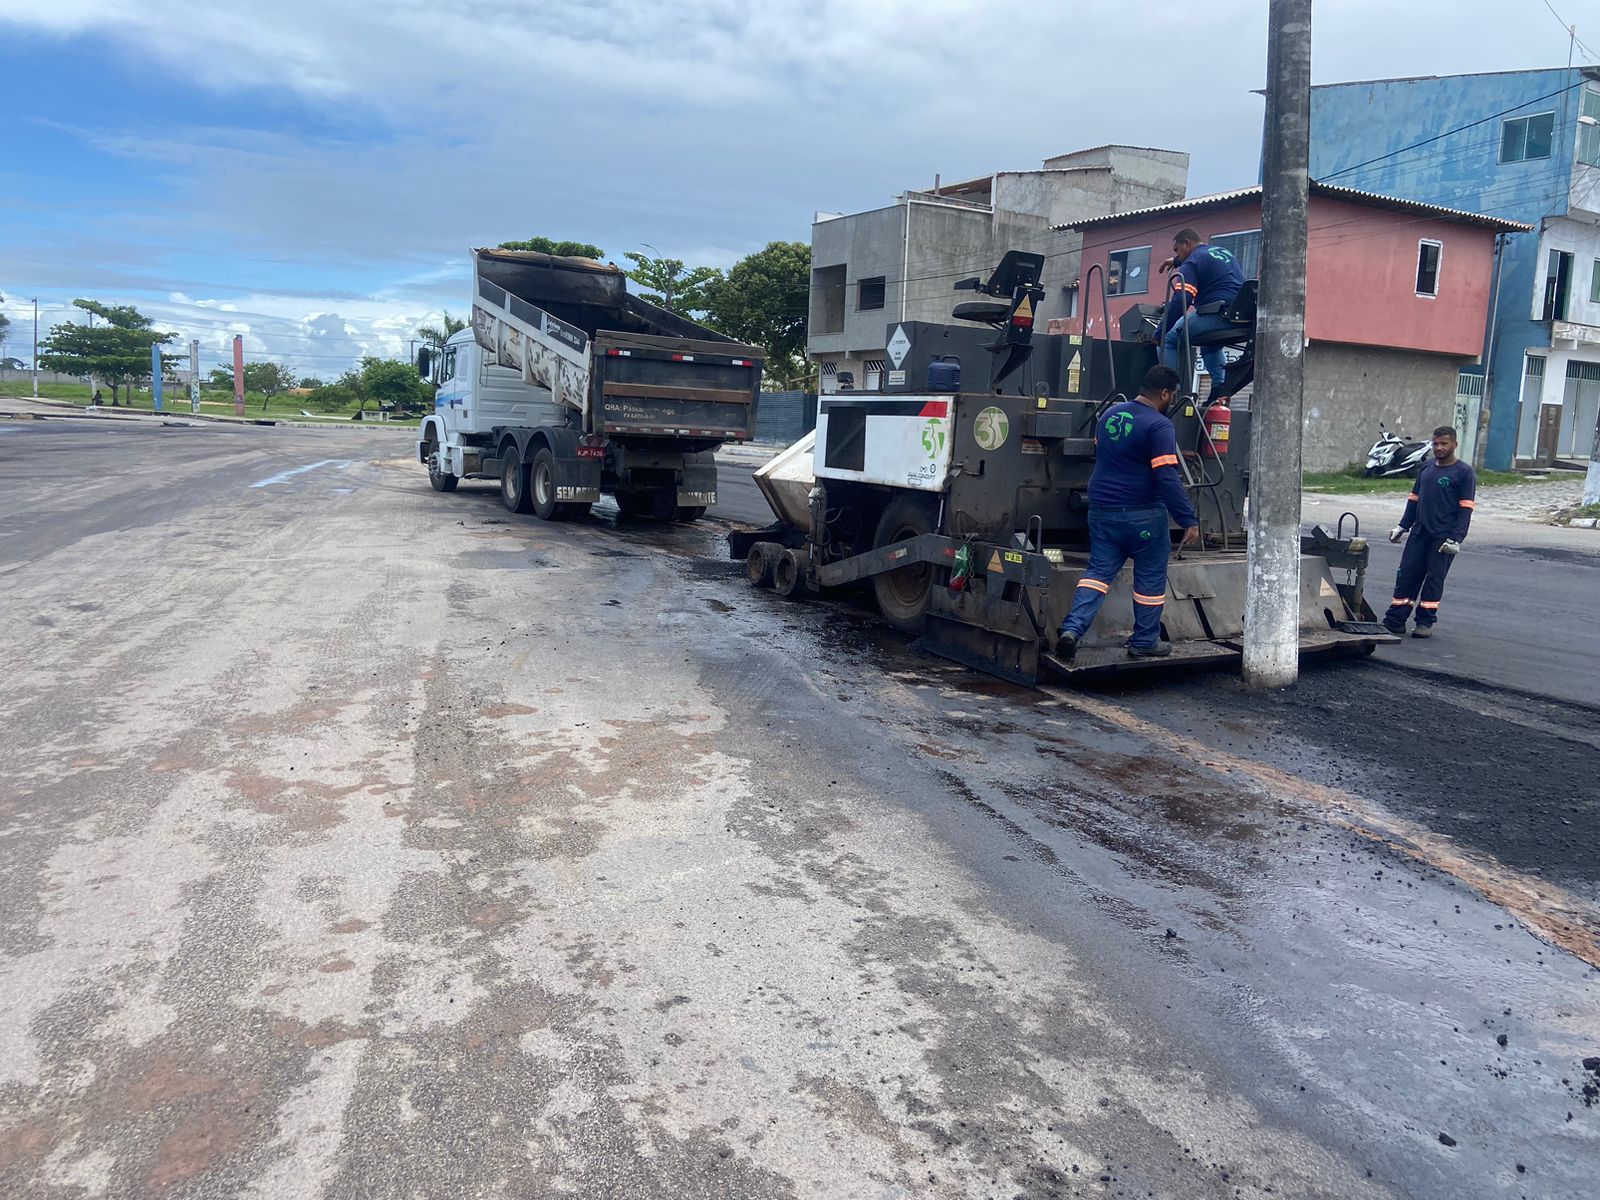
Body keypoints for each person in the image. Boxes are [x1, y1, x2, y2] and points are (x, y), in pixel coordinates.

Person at [1057, 365, 1200, 660]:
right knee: (1149, 577)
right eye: (1172, 395)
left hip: (1102, 510)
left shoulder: (1109, 415)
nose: (1172, 400)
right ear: (1164, 393)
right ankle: (1145, 641)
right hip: (1143, 514)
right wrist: (1187, 518)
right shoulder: (1159, 425)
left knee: (1097, 572)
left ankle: (1071, 630)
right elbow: (1167, 476)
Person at [1382, 425, 1476, 639]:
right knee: (1406, 575)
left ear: (1454, 445)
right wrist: (1402, 526)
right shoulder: (1426, 468)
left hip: (1442, 539)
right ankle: (1395, 620)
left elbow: (1466, 509)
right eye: (1435, 444)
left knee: (1434, 580)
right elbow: (1413, 500)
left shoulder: (1464, 473)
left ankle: (1424, 623)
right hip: (1419, 534)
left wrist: (1456, 538)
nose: (1439, 448)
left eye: (1444, 444)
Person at [1157, 228, 1244, 395]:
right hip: (1240, 313)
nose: (1178, 255)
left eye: (1177, 250)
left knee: (1168, 339)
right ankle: (1219, 390)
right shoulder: (1222, 251)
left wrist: (1159, 332)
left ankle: (1170, 393)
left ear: (1187, 243)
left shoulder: (1192, 261)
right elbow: (1202, 261)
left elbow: (1182, 300)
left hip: (1217, 314)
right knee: (1210, 346)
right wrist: (1176, 261)